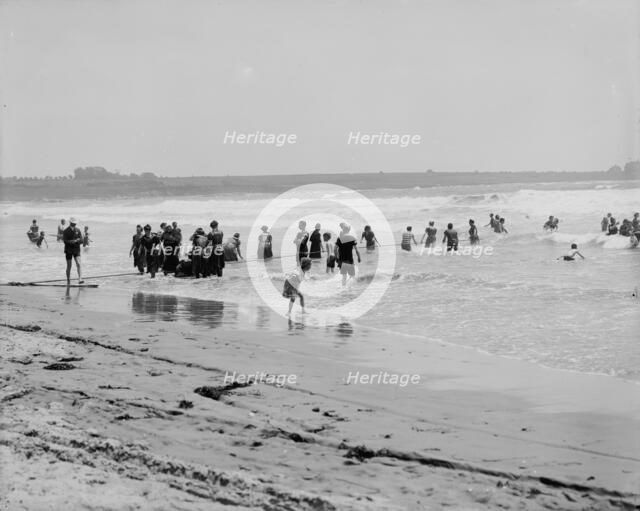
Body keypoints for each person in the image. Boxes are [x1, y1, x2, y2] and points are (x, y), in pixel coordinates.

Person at [63, 217, 84, 284]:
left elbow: (82, 240)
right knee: (69, 266)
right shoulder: (66, 231)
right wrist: (70, 241)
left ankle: (80, 279)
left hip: (76, 249)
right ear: (70, 223)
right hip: (68, 250)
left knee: (79, 264)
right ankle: (68, 280)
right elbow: (65, 241)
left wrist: (77, 240)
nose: (74, 224)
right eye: (73, 223)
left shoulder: (78, 230)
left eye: (75, 223)